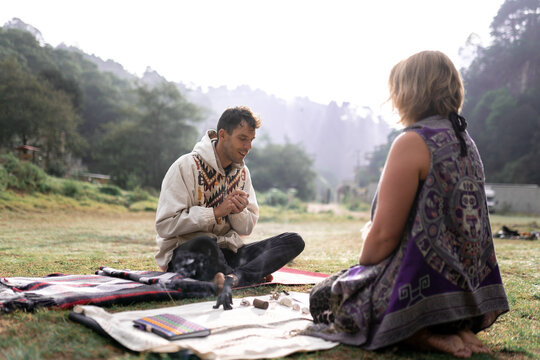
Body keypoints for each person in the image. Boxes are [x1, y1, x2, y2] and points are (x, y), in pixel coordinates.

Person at [305, 51, 509, 357]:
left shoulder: (413, 142)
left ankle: (419, 333)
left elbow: (384, 235)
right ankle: (454, 329)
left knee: (322, 296)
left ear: (409, 92)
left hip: (420, 299)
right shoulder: (465, 140)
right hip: (469, 305)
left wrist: (358, 275)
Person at [154, 106, 305, 309]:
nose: (248, 146)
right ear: (223, 135)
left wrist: (237, 212)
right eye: (242, 138)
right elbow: (165, 225)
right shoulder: (185, 166)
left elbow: (246, 229)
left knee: (293, 241)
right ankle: (244, 274)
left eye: (251, 140)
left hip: (230, 254)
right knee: (205, 243)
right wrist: (215, 213)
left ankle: (232, 277)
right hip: (190, 254)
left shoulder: (243, 174)